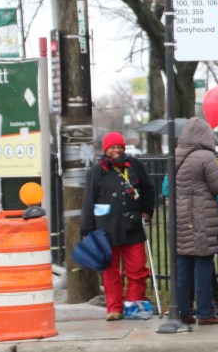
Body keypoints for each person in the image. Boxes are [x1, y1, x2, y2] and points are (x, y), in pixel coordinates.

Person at [80, 132, 155, 321]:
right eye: (112, 148)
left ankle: (134, 304)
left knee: (137, 268)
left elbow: (147, 189)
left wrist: (146, 211)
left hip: (132, 226)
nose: (116, 150)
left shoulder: (134, 166)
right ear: (106, 150)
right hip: (106, 228)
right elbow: (89, 201)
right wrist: (87, 230)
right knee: (110, 271)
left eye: (119, 147)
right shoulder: (96, 172)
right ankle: (114, 307)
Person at [175, 117, 218, 325]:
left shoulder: (175, 155)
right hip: (200, 216)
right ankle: (205, 312)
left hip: (180, 217)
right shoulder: (205, 156)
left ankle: (182, 310)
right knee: (203, 263)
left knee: (183, 263)